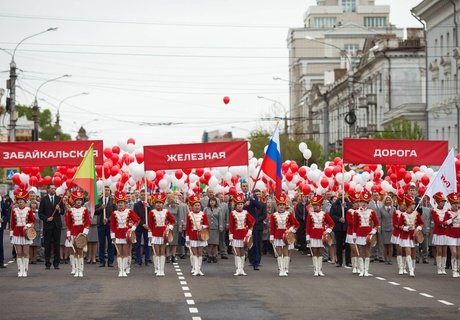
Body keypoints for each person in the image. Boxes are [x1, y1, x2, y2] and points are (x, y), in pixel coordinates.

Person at [110, 191, 140, 277]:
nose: (120, 204)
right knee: (119, 252)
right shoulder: (114, 213)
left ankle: (127, 267)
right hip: (118, 234)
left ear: (125, 203)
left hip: (127, 234)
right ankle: (121, 270)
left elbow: (137, 220)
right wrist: (112, 236)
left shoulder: (129, 211)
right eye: (119, 203)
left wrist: (133, 228)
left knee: (126, 252)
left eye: (122, 203)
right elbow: (112, 226)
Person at [270, 193, 299, 276]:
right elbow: (272, 227)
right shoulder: (273, 215)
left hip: (286, 236)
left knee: (285, 252)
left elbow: (296, 224)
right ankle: (281, 269)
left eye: (283, 205)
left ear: (285, 206)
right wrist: (271, 236)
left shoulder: (288, 214)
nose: (281, 207)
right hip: (277, 235)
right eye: (280, 205)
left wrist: (290, 230)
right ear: (277, 206)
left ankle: (286, 269)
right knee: (279, 253)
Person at [147, 193, 176, 277]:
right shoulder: (151, 212)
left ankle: (161, 269)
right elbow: (150, 225)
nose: (158, 204)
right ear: (154, 204)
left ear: (163, 204)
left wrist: (169, 227)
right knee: (156, 252)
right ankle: (156, 268)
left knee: (162, 251)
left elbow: (173, 221)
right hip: (155, 234)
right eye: (157, 203)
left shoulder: (166, 212)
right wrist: (150, 235)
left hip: (164, 234)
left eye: (160, 203)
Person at [306, 194, 335, 276]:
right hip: (313, 235)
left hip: (322, 236)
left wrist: (327, 231)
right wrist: (307, 237)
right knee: (314, 252)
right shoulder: (310, 214)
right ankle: (315, 269)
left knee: (321, 252)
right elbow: (307, 227)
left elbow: (331, 223)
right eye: (314, 205)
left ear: (320, 205)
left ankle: (320, 270)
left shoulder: (324, 214)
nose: (315, 206)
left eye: (317, 205)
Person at [353, 190, 379, 277]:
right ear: (359, 203)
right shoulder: (356, 212)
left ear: (367, 203)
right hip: (360, 234)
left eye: (365, 202)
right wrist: (354, 234)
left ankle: (366, 270)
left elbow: (376, 223)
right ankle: (361, 270)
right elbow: (355, 224)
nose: (363, 203)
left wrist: (373, 231)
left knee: (367, 251)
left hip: (368, 234)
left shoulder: (371, 212)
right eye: (361, 202)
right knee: (360, 251)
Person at [38, 184, 65, 270]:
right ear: (48, 189)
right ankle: (47, 263)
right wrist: (46, 218)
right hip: (48, 225)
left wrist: (59, 209)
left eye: (54, 189)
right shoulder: (44, 200)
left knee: (56, 244)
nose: (53, 190)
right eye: (52, 188)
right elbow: (40, 213)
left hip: (57, 225)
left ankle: (56, 263)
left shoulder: (59, 199)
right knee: (47, 244)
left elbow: (63, 211)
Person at [65, 190, 91, 277]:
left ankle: (81, 271)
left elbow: (87, 222)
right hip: (73, 232)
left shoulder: (85, 210)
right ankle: (75, 270)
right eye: (77, 200)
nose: (79, 201)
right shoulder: (70, 210)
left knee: (80, 252)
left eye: (80, 200)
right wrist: (68, 234)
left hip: (81, 233)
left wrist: (84, 234)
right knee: (75, 251)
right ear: (74, 201)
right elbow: (68, 224)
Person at [10, 189, 35, 277]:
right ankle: (20, 270)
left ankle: (25, 270)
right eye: (19, 201)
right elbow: (12, 223)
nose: (20, 203)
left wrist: (28, 226)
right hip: (17, 233)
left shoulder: (29, 210)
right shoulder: (14, 210)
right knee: (19, 253)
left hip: (26, 233)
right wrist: (11, 233)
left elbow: (32, 220)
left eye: (22, 201)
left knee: (25, 252)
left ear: (25, 202)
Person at [228, 193, 255, 276]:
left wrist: (250, 232)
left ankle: (242, 269)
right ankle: (238, 269)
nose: (240, 206)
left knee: (243, 252)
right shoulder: (232, 213)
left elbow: (252, 222)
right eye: (238, 204)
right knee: (237, 252)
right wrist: (231, 235)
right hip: (236, 235)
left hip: (243, 235)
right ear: (235, 205)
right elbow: (231, 225)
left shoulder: (246, 213)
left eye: (241, 204)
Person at [398, 194, 424, 277]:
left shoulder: (416, 214)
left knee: (413, 252)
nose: (414, 205)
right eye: (413, 204)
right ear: (409, 205)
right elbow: (399, 225)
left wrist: (418, 228)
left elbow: (421, 223)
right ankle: (410, 270)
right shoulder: (403, 215)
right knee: (407, 251)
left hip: (414, 235)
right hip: (405, 235)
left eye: (414, 204)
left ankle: (413, 268)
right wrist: (405, 228)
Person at [241, 181, 263, 270]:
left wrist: (253, 199)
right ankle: (242, 262)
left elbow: (259, 206)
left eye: (246, 186)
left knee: (254, 243)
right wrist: (244, 205)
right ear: (241, 187)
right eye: (243, 186)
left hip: (253, 223)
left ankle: (255, 262)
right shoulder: (239, 196)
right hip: (243, 223)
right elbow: (235, 208)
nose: (245, 187)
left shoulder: (252, 196)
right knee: (243, 243)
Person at [185, 194, 209, 276]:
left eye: (198, 205)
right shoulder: (189, 215)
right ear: (192, 206)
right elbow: (187, 227)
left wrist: (203, 226)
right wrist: (187, 238)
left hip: (201, 236)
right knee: (194, 253)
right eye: (195, 205)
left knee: (200, 253)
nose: (197, 207)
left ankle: (199, 269)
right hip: (192, 235)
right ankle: (195, 269)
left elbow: (207, 224)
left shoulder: (203, 214)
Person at [94, 186, 116, 268]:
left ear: (110, 191)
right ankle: (102, 261)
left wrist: (108, 219)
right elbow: (95, 212)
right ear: (103, 192)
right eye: (105, 190)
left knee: (110, 243)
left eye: (108, 190)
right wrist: (101, 208)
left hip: (110, 225)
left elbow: (115, 212)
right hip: (100, 224)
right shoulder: (99, 201)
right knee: (102, 243)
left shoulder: (113, 201)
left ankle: (110, 261)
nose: (106, 191)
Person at [329, 193, 351, 268]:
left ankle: (348, 261)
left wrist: (346, 207)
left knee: (347, 245)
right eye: (341, 195)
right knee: (339, 245)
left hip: (346, 227)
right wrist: (339, 219)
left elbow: (351, 213)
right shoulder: (335, 205)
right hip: (338, 227)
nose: (342, 197)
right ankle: (339, 261)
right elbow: (331, 214)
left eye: (344, 195)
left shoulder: (349, 204)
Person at [132, 189, 152, 266]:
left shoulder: (149, 204)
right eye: (142, 195)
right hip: (139, 226)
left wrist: (148, 207)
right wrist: (142, 224)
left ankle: (147, 259)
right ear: (140, 195)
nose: (143, 196)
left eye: (145, 195)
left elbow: (152, 214)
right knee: (138, 244)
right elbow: (136, 216)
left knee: (147, 244)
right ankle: (138, 260)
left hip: (147, 227)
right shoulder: (136, 205)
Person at [431, 191, 449, 275]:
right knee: (439, 251)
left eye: (444, 201)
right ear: (438, 202)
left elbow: (447, 219)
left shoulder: (446, 211)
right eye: (442, 201)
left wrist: (448, 222)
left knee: (445, 250)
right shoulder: (434, 211)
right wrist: (445, 223)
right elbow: (437, 222)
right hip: (438, 232)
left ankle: (443, 268)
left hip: (445, 232)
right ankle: (439, 268)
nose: (443, 203)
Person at [444, 192, 460, 278]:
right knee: (454, 252)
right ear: (451, 204)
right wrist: (452, 218)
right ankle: (454, 271)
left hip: (459, 232)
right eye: (454, 203)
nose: (456, 205)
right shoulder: (448, 213)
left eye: (457, 203)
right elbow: (445, 223)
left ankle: (457, 269)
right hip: (451, 233)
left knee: (458, 253)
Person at [204, 196, 224, 263]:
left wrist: (220, 226)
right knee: (209, 243)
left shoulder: (219, 209)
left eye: (213, 201)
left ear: (216, 202)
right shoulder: (206, 209)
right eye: (211, 201)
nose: (212, 202)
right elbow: (203, 218)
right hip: (208, 228)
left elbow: (220, 218)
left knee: (215, 243)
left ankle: (214, 255)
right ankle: (209, 255)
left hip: (216, 228)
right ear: (209, 202)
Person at [165, 193, 183, 263]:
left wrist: (180, 226)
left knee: (174, 242)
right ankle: (167, 255)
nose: (171, 200)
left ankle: (173, 255)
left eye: (172, 198)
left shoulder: (178, 207)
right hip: (167, 225)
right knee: (167, 241)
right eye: (169, 199)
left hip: (175, 226)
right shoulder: (165, 206)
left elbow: (180, 217)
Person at [345, 191, 361, 274]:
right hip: (351, 232)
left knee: (359, 249)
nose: (357, 204)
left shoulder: (362, 211)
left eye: (358, 202)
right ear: (352, 203)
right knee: (353, 249)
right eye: (355, 202)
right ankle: (354, 266)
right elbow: (350, 222)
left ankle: (359, 265)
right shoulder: (349, 211)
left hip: (360, 232)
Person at [392, 194, 407, 275]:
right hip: (398, 233)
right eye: (402, 205)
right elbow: (395, 224)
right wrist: (401, 227)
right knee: (399, 250)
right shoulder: (396, 212)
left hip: (405, 233)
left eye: (405, 205)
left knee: (405, 250)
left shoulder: (408, 213)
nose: (403, 207)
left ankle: (404, 267)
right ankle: (400, 267)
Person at [28, 200, 41, 265]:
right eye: (32, 203)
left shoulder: (38, 213)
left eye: (35, 204)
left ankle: (34, 259)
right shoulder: (28, 212)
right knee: (30, 245)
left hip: (37, 230)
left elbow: (41, 222)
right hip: (30, 230)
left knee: (36, 245)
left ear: (36, 205)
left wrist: (41, 230)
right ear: (30, 205)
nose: (33, 205)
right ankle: (30, 258)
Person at [1, 195, 10, 269]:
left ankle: (1, 262)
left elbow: (6, 214)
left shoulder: (2, 203)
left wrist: (3, 220)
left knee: (0, 244)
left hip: (0, 226)